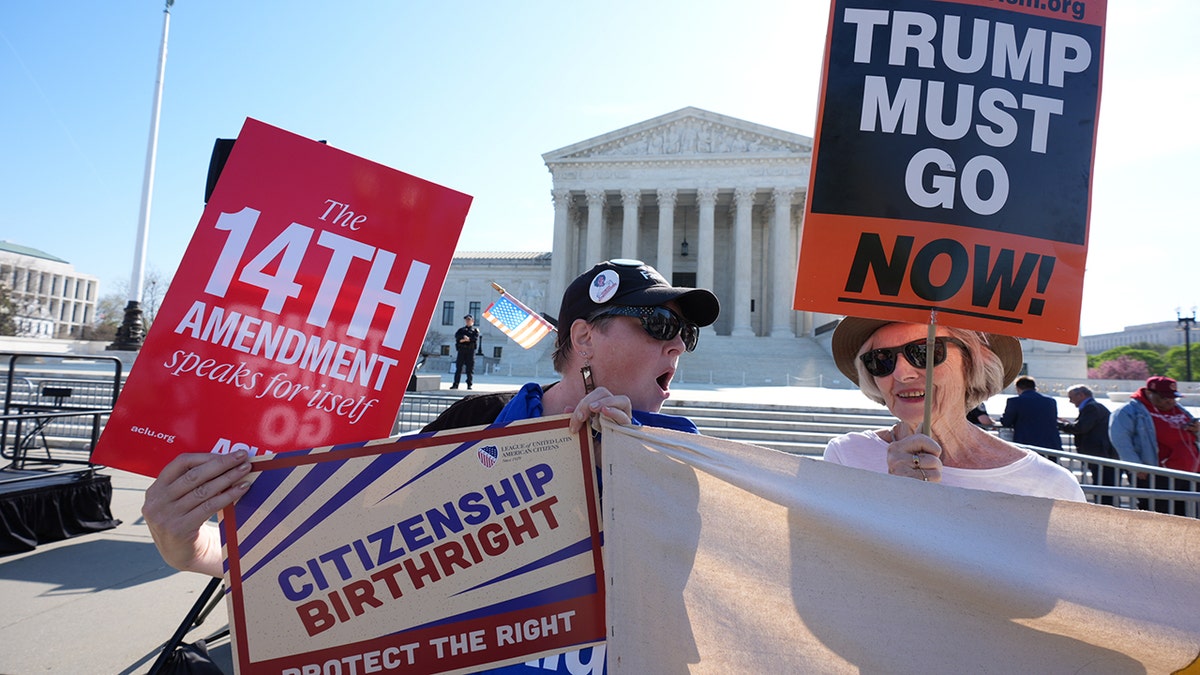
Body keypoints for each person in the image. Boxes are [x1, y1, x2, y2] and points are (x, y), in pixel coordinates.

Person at [142, 258, 720, 675]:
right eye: (661, 327)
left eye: (687, 334)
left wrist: (627, 458)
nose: (679, 348)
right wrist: (193, 550)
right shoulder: (473, 423)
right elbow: (345, 560)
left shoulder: (677, 456)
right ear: (585, 339)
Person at [822, 317, 1085, 502]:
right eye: (881, 360)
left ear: (971, 363)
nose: (901, 373)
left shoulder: (1049, 487)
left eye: (924, 352)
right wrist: (894, 496)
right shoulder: (847, 456)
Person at [1109, 376, 1199, 515]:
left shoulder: (1179, 409)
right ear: (1150, 393)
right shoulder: (1129, 411)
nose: (1170, 401)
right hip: (1157, 474)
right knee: (1160, 515)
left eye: (1173, 397)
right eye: (1165, 397)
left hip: (1190, 473)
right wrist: (1136, 466)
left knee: (1190, 516)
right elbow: (1121, 441)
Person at [1057, 385, 1119, 505]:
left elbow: (1081, 427)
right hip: (1102, 453)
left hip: (1101, 454)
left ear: (1081, 395)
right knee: (1103, 485)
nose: (1070, 401)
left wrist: (1060, 425)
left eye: (1071, 397)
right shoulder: (1094, 407)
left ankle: (1106, 513)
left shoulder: (1092, 408)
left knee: (1104, 486)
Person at [999, 376, 1064, 452]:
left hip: (1027, 443)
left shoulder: (1015, 401)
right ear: (1034, 387)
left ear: (1017, 388)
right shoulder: (1050, 401)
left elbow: (1007, 422)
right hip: (1050, 444)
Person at [451, 313, 480, 389]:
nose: (467, 321)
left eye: (469, 320)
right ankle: (455, 384)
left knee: (469, 369)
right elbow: (457, 336)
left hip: (470, 351)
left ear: (472, 321)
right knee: (458, 368)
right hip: (462, 351)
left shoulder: (475, 330)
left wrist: (467, 339)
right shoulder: (461, 330)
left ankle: (469, 384)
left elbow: (475, 338)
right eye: (466, 320)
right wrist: (463, 338)